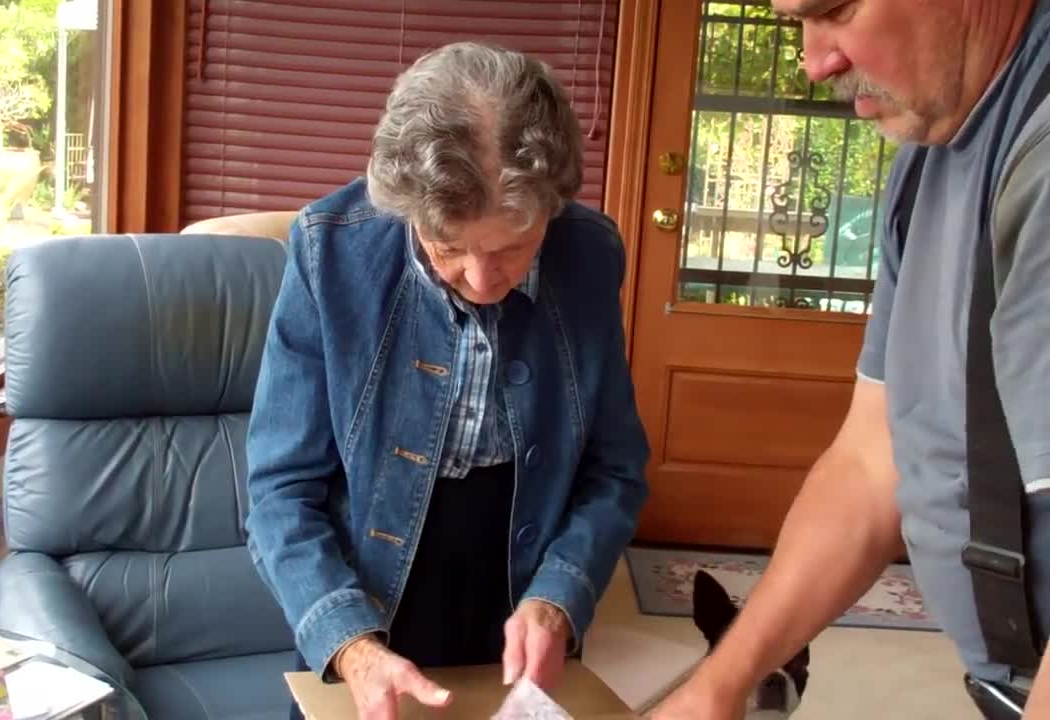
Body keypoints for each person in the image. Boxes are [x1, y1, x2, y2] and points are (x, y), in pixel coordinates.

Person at [648, 1, 1050, 718]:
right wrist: (717, 686)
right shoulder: (926, 157)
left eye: (834, 9)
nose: (814, 62)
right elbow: (871, 462)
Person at [242, 41, 650, 719]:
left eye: (514, 247)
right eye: (449, 248)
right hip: (367, 578)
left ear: (552, 207)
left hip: (523, 565)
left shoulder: (590, 254)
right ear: (406, 211)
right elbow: (281, 490)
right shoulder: (329, 252)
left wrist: (560, 594)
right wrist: (351, 646)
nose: (485, 281)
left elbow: (614, 468)